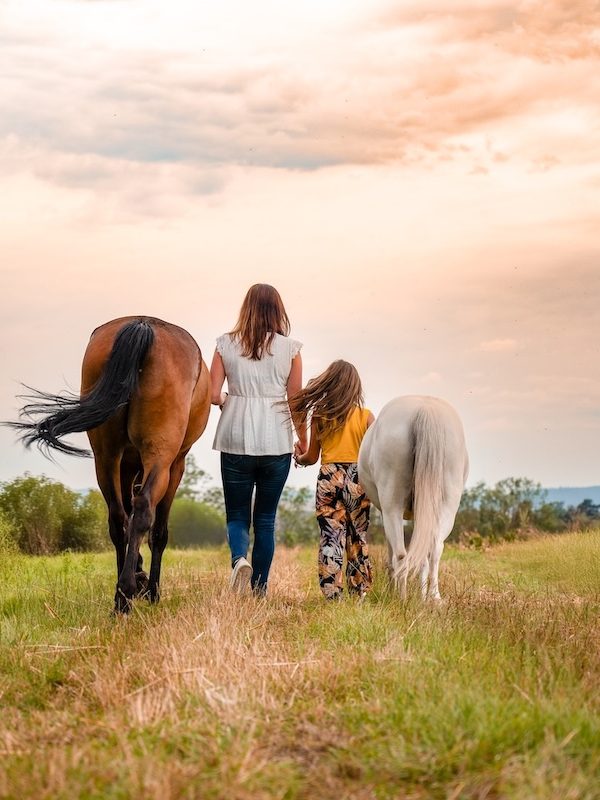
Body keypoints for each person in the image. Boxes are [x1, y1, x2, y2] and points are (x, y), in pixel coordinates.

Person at [210, 284, 306, 595]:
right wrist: (303, 440)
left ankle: (239, 559)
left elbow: (212, 395)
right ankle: (259, 590)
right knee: (265, 519)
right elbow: (295, 402)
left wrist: (228, 400)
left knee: (237, 514)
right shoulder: (290, 349)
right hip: (276, 440)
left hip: (235, 436)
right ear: (278, 310)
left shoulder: (225, 344)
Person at [290, 360, 374, 599]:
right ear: (355, 387)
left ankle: (332, 593)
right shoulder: (366, 418)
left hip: (329, 478)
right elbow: (375, 457)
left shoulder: (321, 416)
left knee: (331, 536)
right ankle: (360, 591)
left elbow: (312, 457)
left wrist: (299, 456)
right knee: (357, 535)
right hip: (359, 479)